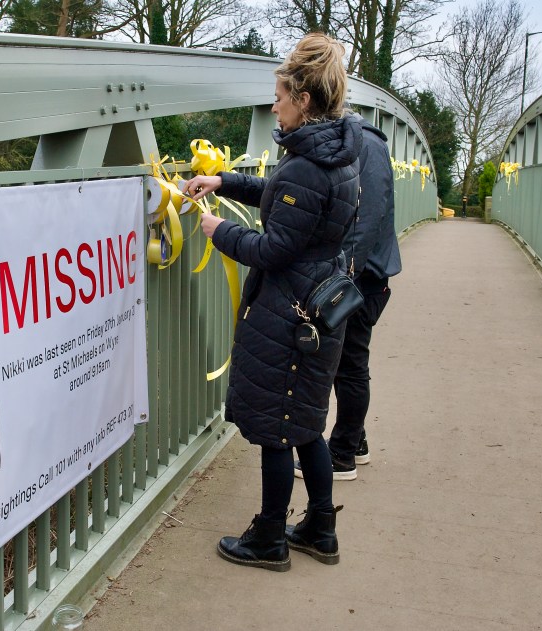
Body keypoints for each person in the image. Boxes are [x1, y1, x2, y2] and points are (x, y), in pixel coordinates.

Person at [183, 33, 362, 571]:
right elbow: (283, 197)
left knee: (278, 431)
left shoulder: (307, 166)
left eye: (279, 98)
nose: (273, 107)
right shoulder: (337, 152)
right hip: (322, 307)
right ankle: (321, 528)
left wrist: (216, 230)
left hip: (290, 314)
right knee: (306, 423)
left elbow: (274, 246)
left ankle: (269, 538)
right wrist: (224, 180)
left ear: (303, 101)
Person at [296, 112, 401, 481]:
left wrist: (341, 280)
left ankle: (341, 455)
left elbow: (366, 219)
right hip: (363, 274)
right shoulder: (358, 143)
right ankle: (355, 440)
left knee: (351, 363)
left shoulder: (367, 146)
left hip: (362, 279)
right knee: (347, 362)